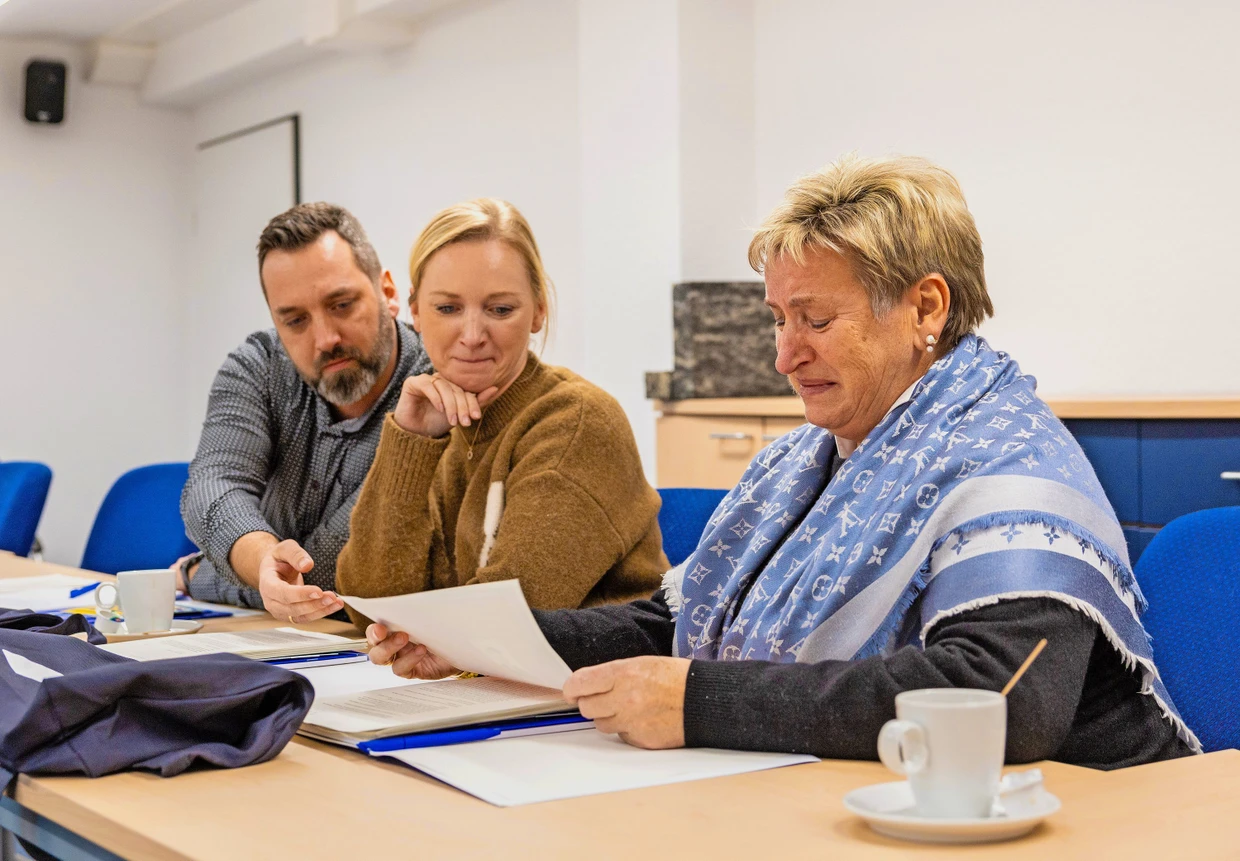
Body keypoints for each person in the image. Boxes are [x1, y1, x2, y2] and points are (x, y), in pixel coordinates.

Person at [367, 157, 1200, 770]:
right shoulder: (805, 460)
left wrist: (698, 701)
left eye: (815, 320)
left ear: (925, 307)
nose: (784, 355)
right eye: (778, 319)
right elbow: (675, 624)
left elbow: (999, 700)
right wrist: (483, 642)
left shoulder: (1012, 463)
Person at [273, 198, 668, 620]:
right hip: (473, 663)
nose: (473, 335)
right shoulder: (433, 423)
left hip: (586, 664)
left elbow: (504, 620)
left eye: (500, 309)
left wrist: (410, 632)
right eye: (448, 308)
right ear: (415, 312)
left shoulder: (577, 422)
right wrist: (411, 441)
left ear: (538, 310)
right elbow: (370, 607)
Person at [179, 203, 431, 620]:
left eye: (342, 304)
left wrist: (201, 575)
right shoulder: (258, 364)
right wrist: (263, 561)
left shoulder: (434, 391)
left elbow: (334, 569)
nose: (325, 339)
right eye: (296, 321)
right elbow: (213, 484)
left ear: (388, 293)